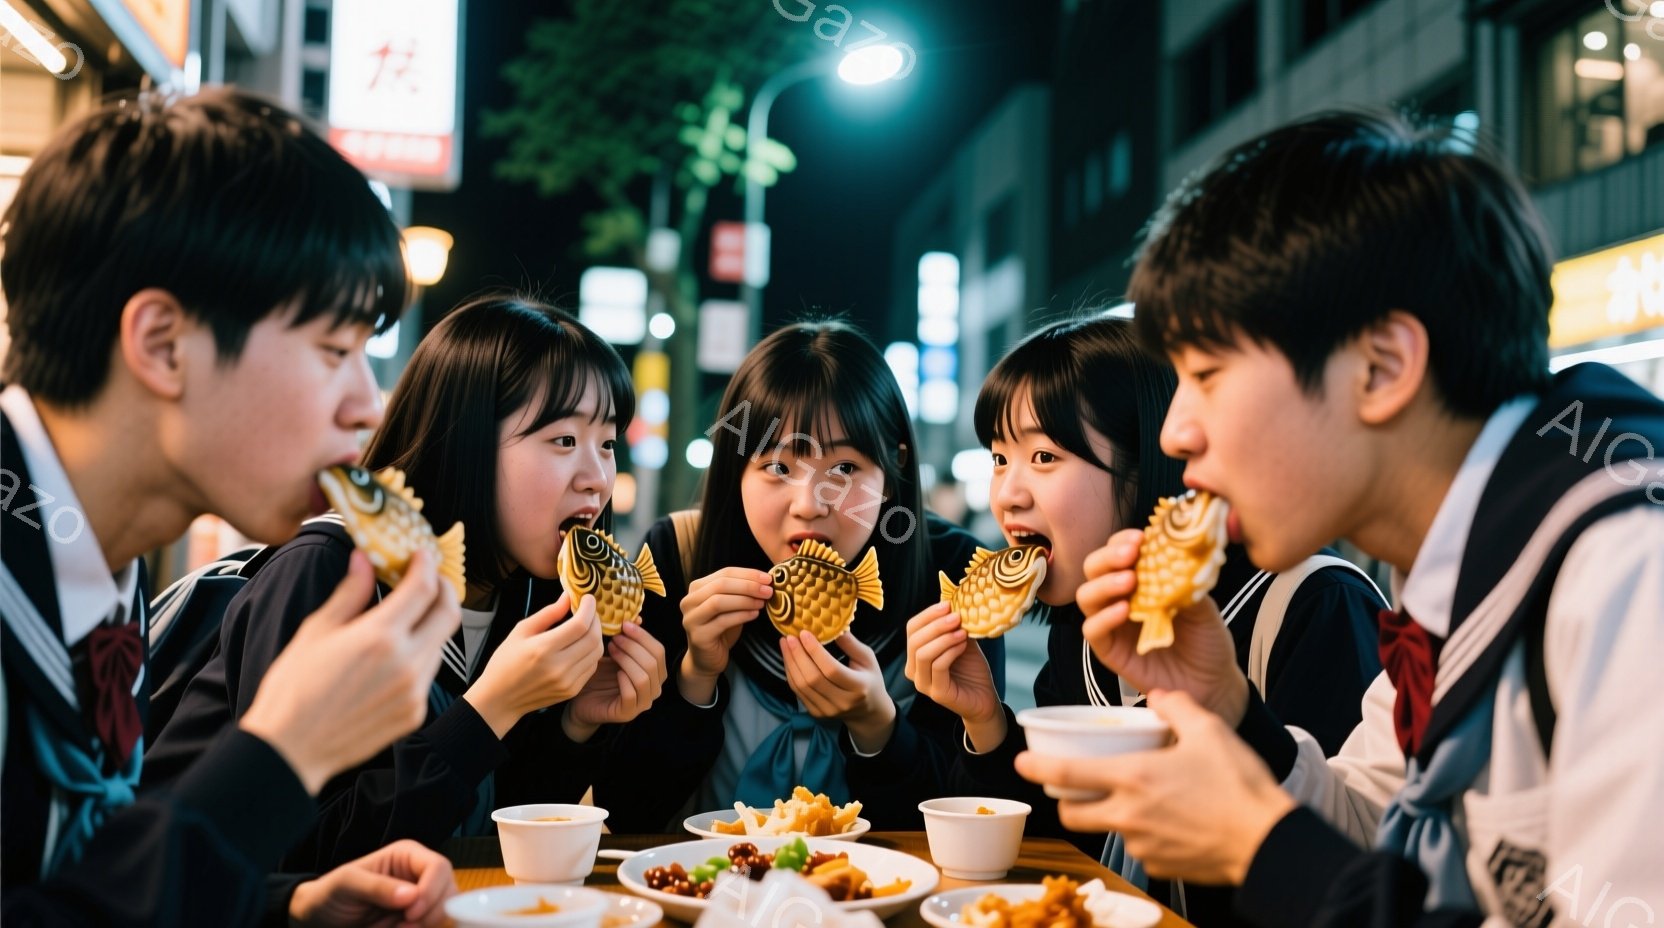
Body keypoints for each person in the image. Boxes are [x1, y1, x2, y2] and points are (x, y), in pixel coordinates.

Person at [1016, 110, 1664, 927]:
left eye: (1208, 372)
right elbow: (1383, 828)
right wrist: (1230, 710)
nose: (1177, 433)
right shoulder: (1447, 567)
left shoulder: (1631, 574)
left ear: (1382, 367)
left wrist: (1264, 850)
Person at [2, 88, 460, 925]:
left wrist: (280, 906)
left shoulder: (101, 561)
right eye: (334, 350)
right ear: (163, 345)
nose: (368, 404)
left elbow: (65, 882)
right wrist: (281, 756)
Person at [145, 295, 667, 871]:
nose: (598, 479)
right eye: (564, 441)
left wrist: (573, 727)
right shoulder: (331, 574)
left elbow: (484, 836)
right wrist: (489, 709)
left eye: (609, 443)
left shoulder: (529, 592)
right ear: (466, 441)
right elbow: (302, 862)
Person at [897, 314, 1385, 924]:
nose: (1007, 494)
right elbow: (1064, 854)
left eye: (1044, 455)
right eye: (999, 458)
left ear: (1148, 464)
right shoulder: (1081, 627)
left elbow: (1338, 871)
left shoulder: (1312, 604)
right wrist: (985, 717)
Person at [594, 320, 1004, 831]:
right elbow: (627, 810)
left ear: (894, 471)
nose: (810, 505)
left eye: (846, 470)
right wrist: (696, 676)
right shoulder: (678, 558)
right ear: (736, 469)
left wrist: (878, 726)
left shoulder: (954, 578)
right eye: (779, 468)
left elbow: (978, 816)